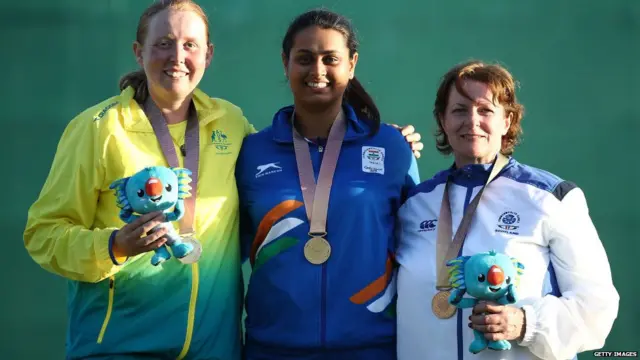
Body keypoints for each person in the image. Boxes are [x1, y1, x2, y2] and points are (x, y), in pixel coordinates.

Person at [23, 1, 423, 359]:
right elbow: (43, 233)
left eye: (190, 45)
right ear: (138, 52)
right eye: (163, 43)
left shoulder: (232, 127)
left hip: (214, 347)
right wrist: (113, 245)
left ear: (208, 55)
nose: (177, 56)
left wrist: (388, 142)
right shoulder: (100, 128)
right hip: (124, 344)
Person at [395, 60, 619, 360]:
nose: (472, 121)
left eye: (485, 110)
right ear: (442, 120)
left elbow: (596, 305)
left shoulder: (551, 198)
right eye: (459, 110)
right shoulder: (414, 205)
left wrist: (526, 323)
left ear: (507, 121)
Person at [236, 9, 420, 360]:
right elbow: (228, 250)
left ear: (351, 65)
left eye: (330, 59)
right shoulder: (252, 153)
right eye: (304, 58)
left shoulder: (392, 148)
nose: (317, 71)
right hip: (273, 349)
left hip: (372, 348)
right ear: (285, 63)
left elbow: (417, 247)